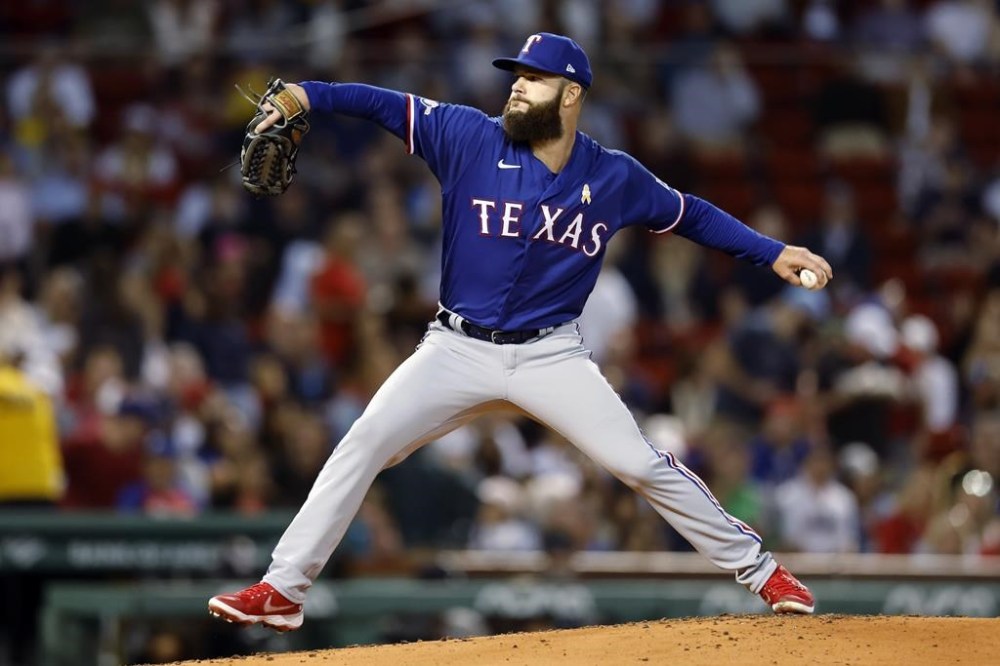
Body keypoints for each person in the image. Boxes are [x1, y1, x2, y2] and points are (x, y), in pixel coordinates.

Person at [209, 32, 831, 632]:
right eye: (516, 77)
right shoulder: (467, 136)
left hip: (549, 356)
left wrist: (772, 251)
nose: (517, 87)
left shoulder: (613, 176)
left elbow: (690, 214)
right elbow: (381, 103)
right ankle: (283, 590)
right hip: (454, 348)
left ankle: (764, 572)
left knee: (640, 465)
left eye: (534, 79)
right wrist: (308, 94)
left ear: (571, 94)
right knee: (364, 442)